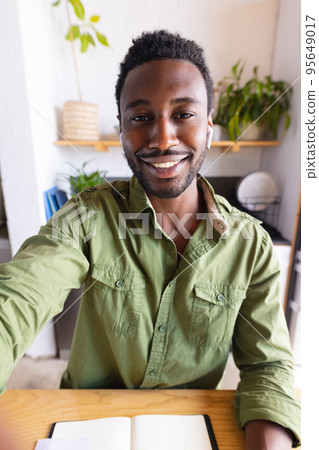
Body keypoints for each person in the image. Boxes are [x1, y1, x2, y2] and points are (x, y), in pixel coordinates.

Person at [0, 30, 300, 448]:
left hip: (190, 429)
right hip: (82, 426)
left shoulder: (251, 247)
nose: (162, 139)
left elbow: (268, 368)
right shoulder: (87, 217)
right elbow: (15, 300)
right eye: (141, 117)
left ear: (210, 127)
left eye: (183, 114)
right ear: (121, 129)